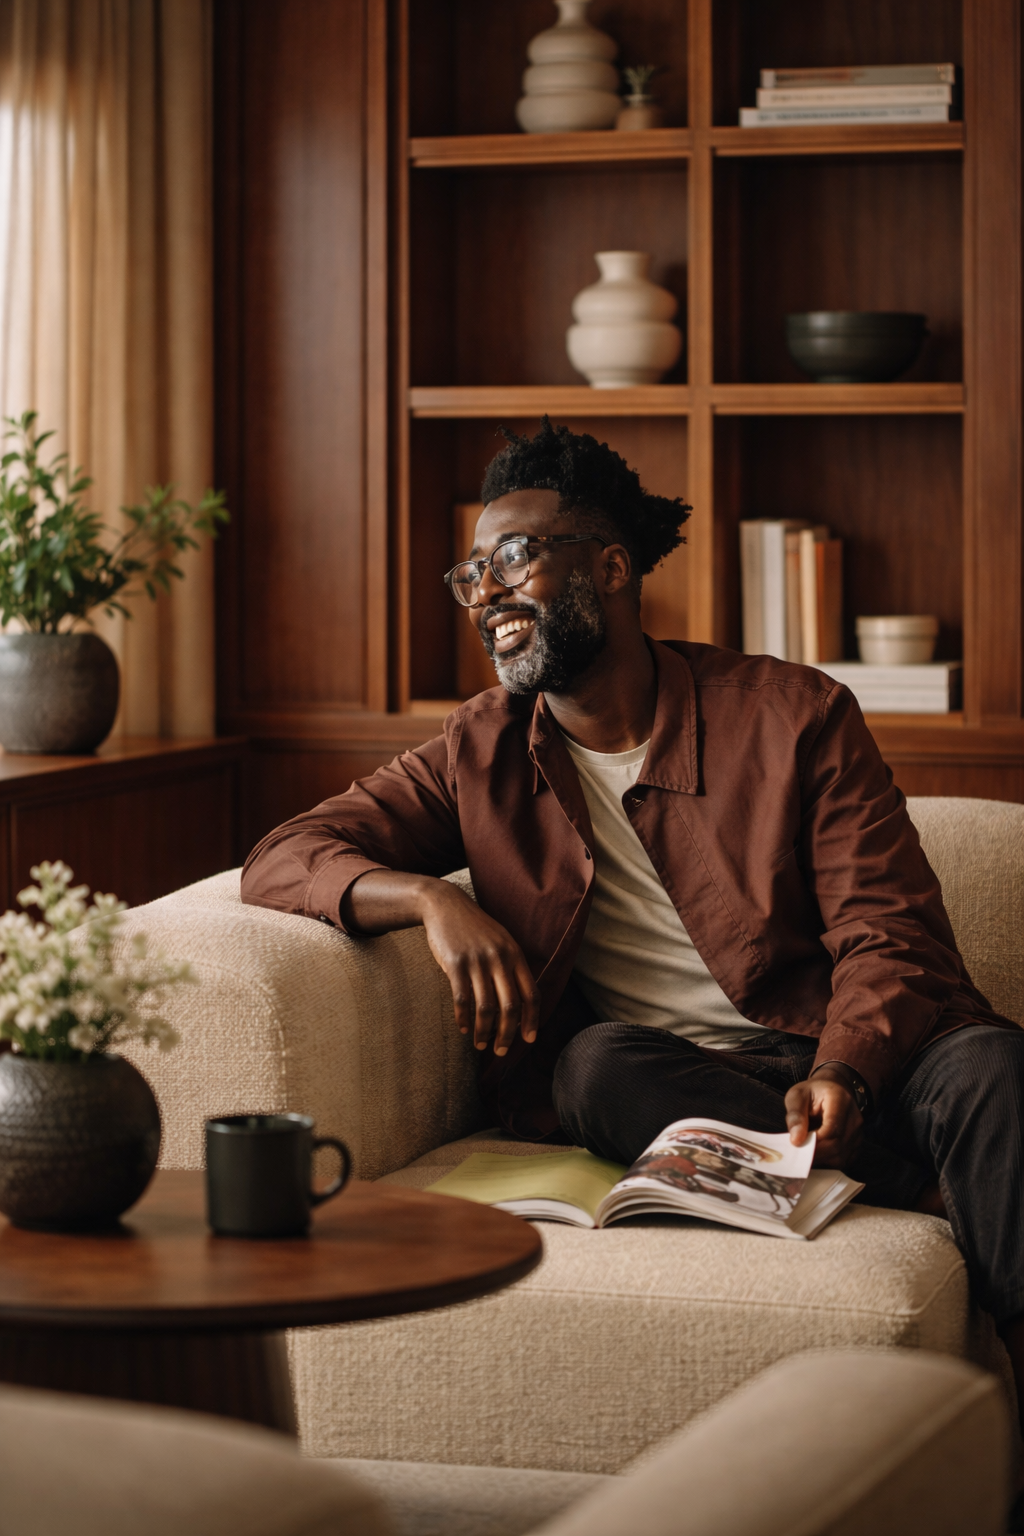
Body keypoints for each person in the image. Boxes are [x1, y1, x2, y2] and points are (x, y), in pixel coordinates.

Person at [242, 417, 1024, 1456]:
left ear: (609, 567)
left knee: (993, 1071)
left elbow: (890, 930)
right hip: (686, 1086)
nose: (485, 592)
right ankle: (929, 1184)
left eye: (514, 556)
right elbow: (287, 854)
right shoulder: (478, 748)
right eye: (470, 572)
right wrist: (431, 900)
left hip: (860, 1049)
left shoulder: (795, 714)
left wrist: (847, 1065)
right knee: (590, 1064)